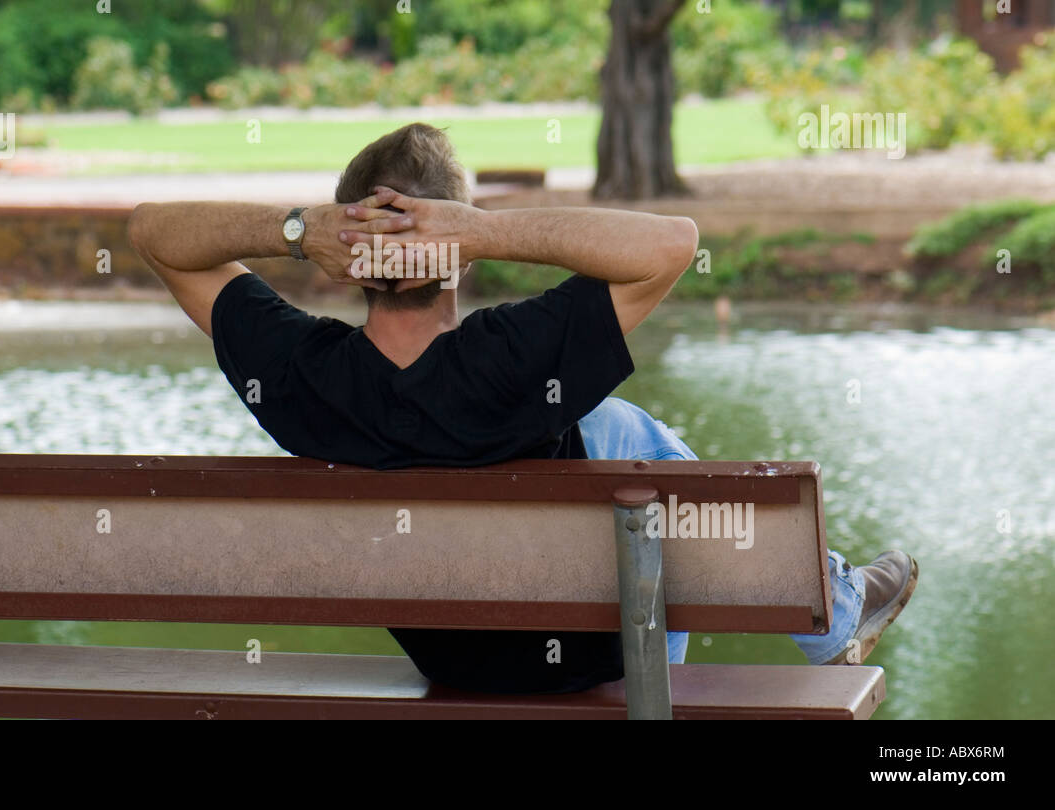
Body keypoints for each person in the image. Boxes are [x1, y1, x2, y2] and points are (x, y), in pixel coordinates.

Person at [128, 122, 917, 692]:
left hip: (452, 663)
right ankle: (834, 608)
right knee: (621, 433)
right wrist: (484, 231)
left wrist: (299, 231)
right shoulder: (511, 361)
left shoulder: (299, 375)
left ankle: (837, 605)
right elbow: (672, 243)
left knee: (607, 426)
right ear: (456, 257)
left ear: (348, 260)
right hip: (600, 659)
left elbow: (151, 234)